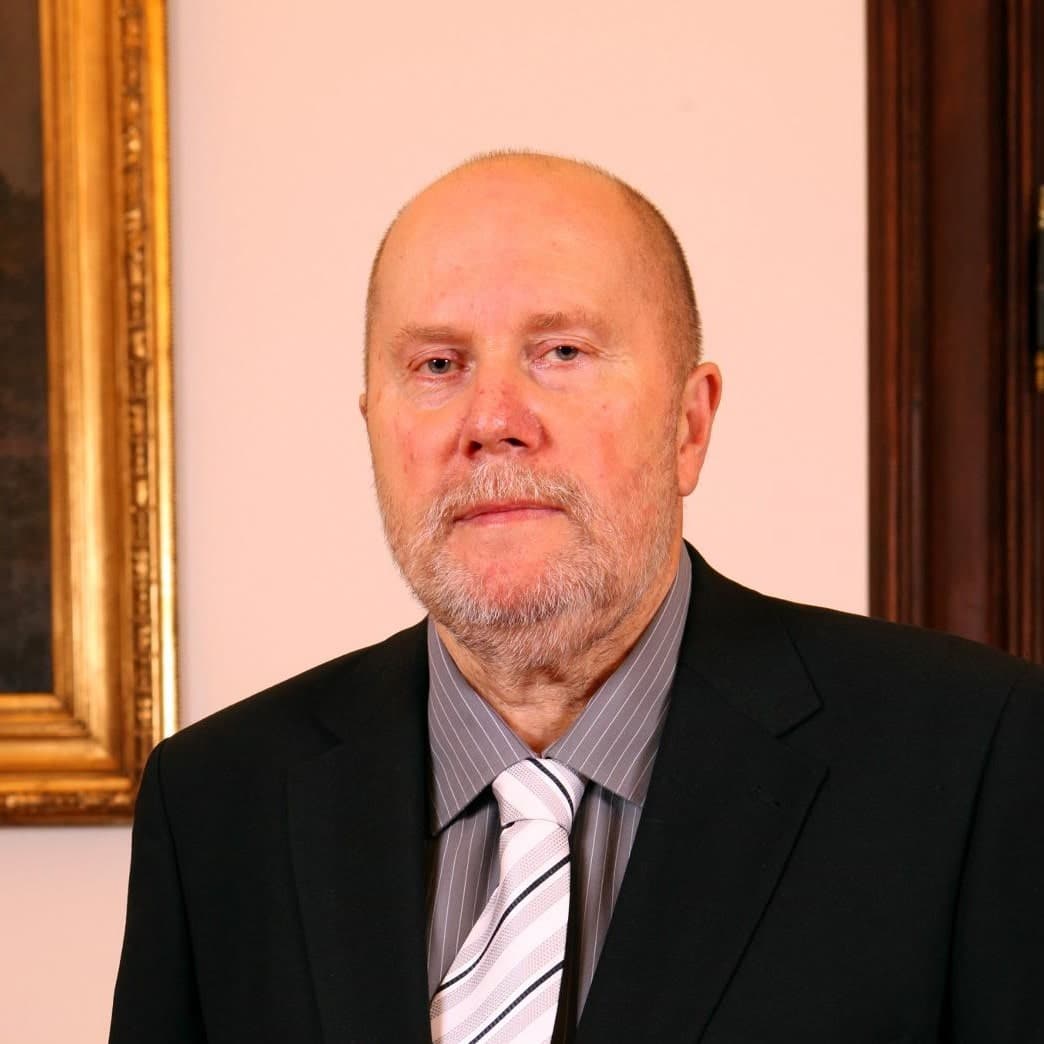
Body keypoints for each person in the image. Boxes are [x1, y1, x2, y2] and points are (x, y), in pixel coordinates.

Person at [110, 153, 1044, 1044]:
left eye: (560, 351)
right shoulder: (216, 805)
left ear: (689, 425)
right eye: (437, 365)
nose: (491, 422)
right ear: (373, 428)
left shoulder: (975, 757)